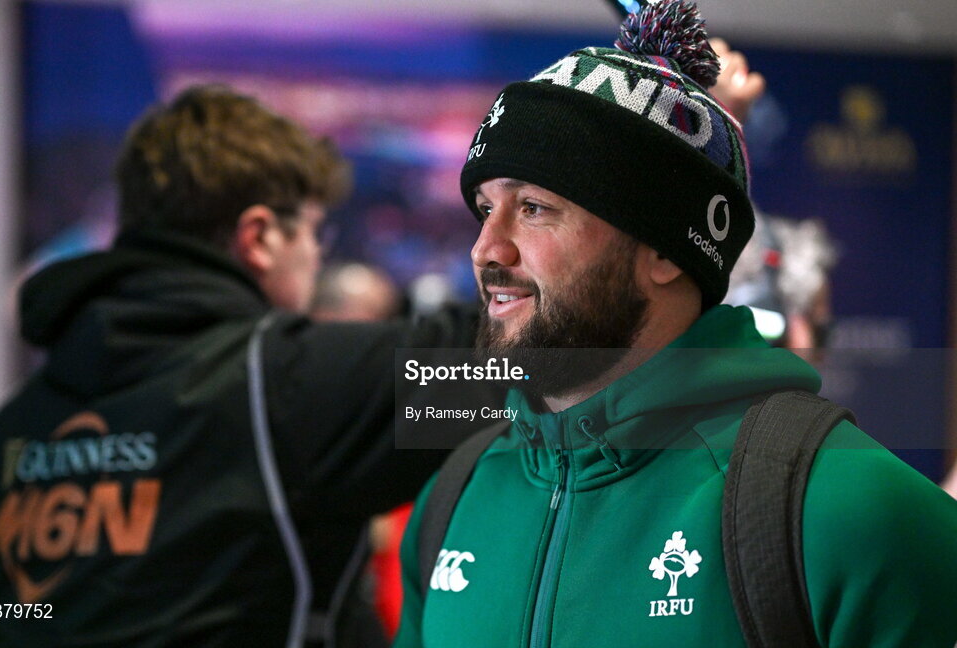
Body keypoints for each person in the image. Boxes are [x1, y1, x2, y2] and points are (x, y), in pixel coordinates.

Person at [394, 1, 957, 646]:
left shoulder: (855, 513)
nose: (486, 249)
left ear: (665, 251)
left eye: (533, 207)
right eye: (484, 208)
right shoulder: (457, 497)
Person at [0, 86, 485, 648]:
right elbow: (521, 365)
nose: (317, 255)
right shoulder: (284, 384)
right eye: (313, 232)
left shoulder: (17, 421)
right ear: (259, 237)